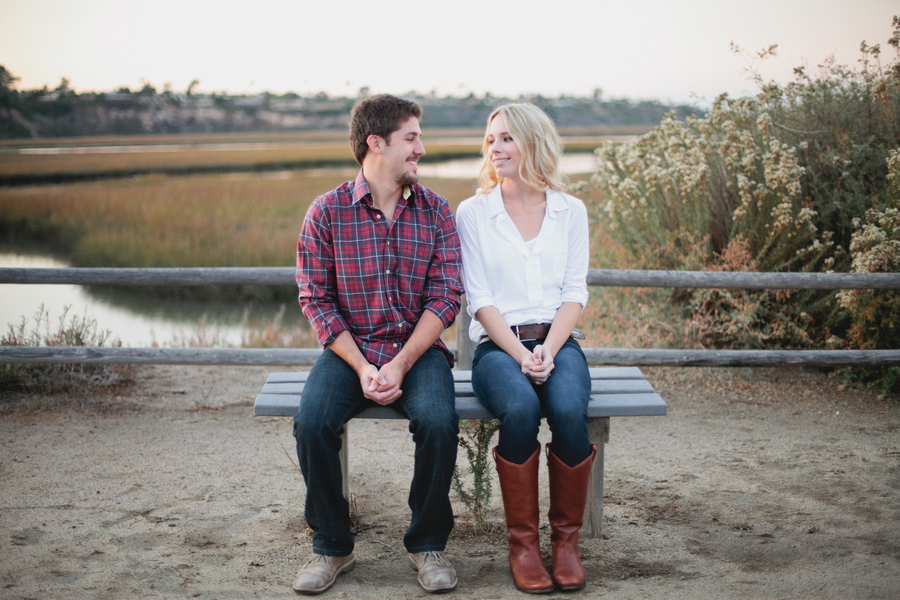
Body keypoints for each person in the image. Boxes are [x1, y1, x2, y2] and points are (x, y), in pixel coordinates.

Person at [292, 94, 464, 595]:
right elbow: (316, 299)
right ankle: (332, 546)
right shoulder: (326, 213)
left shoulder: (435, 211)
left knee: (438, 420)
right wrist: (365, 366)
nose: (421, 149)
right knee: (312, 422)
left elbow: (447, 295)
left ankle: (427, 543)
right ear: (376, 143)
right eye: (411, 138)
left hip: (419, 350)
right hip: (349, 352)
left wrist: (403, 360)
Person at [456, 103, 595, 593]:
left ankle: (566, 545)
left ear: (534, 143)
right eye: (492, 139)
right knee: (517, 409)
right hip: (498, 349)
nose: (496, 148)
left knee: (568, 408)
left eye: (508, 139)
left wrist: (550, 351)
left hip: (559, 342)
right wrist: (521, 354)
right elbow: (480, 299)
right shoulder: (473, 213)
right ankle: (523, 546)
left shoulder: (569, 210)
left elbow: (574, 292)